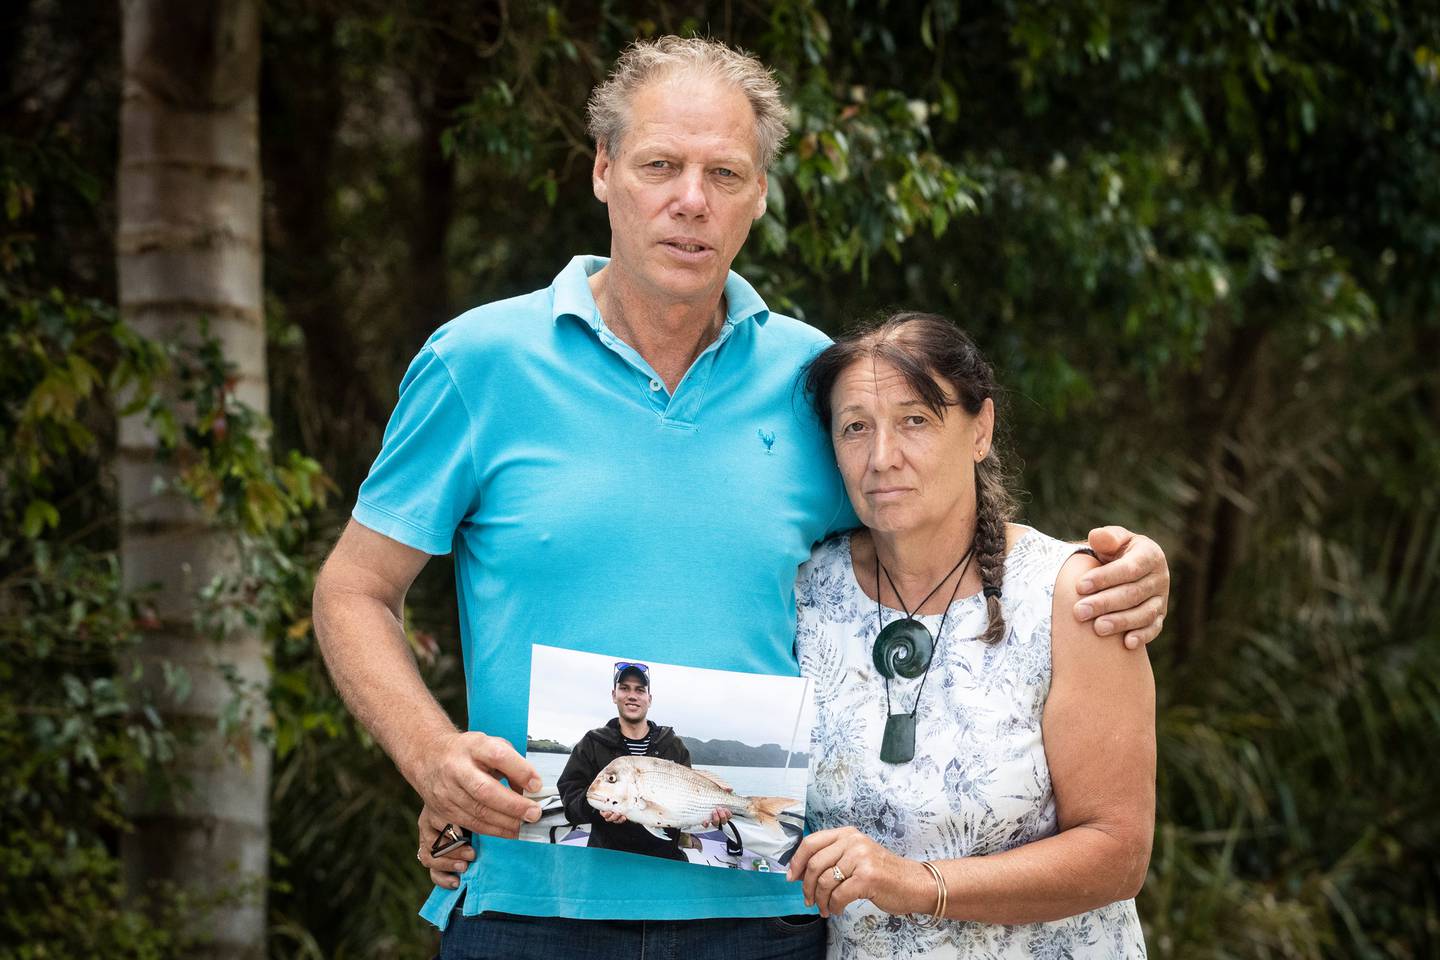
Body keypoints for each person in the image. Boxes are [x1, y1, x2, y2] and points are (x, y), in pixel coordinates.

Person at [314, 35, 1168, 960]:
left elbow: (927, 527)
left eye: (725, 172)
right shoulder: (476, 363)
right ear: (603, 171)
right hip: (528, 905)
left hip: (760, 917)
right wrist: (429, 756)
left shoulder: (816, 382)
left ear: (759, 194)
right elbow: (353, 591)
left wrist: (1099, 571)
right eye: (660, 166)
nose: (691, 200)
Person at [784, 313, 1154, 958]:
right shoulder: (802, 592)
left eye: (915, 421)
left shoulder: (1072, 597)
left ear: (980, 429)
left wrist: (920, 884)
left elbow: (1116, 853)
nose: (882, 457)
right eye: (855, 428)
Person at [555, 662, 729, 860]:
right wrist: (599, 809)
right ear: (614, 695)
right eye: (624, 688)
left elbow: (688, 801)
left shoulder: (673, 745)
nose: (632, 695)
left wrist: (709, 815)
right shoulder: (592, 743)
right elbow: (570, 803)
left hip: (664, 858)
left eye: (640, 690)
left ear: (649, 698)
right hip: (607, 857)